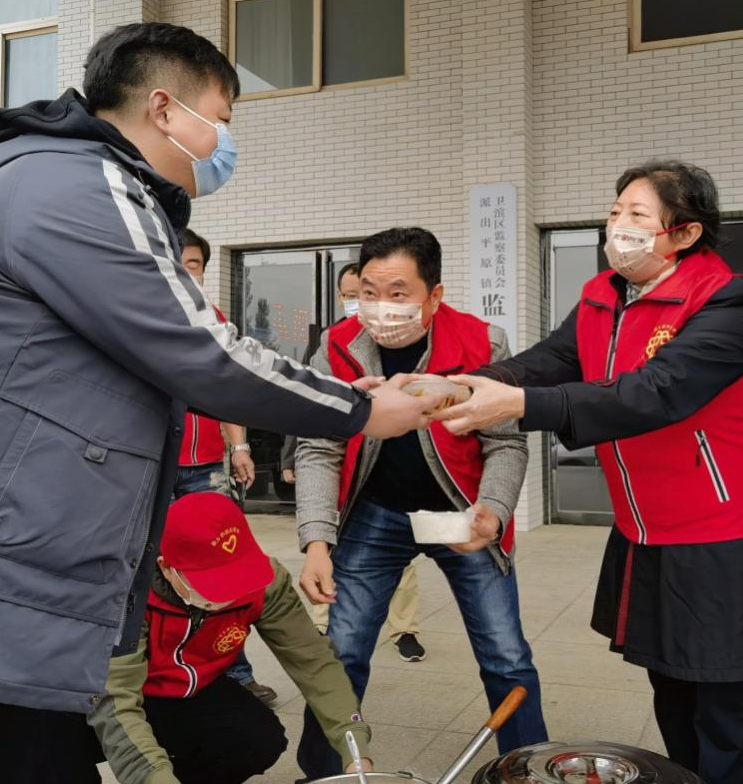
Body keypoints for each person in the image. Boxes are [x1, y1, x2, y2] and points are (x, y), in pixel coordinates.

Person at [0, 22, 434, 784]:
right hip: (5, 557)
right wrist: (361, 411)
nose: (223, 144)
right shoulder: (79, 185)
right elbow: (203, 352)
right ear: (164, 108)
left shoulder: (67, 180)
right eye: (221, 119)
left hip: (20, 547)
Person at [433, 161, 743, 784]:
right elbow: (553, 359)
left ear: (685, 233)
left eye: (638, 215)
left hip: (721, 530)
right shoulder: (604, 294)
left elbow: (655, 392)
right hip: (643, 527)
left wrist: (518, 405)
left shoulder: (729, 301)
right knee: (670, 684)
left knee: (722, 699)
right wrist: (473, 382)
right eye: (615, 211)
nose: (618, 226)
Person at [294, 226, 548, 778]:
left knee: (506, 656)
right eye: (369, 292)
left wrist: (493, 511)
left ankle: (527, 769)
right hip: (374, 514)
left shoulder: (482, 341)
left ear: (434, 295)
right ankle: (324, 771)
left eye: (399, 293)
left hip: (462, 513)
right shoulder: (337, 345)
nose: (381, 308)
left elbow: (505, 443)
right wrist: (317, 541)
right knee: (343, 651)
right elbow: (319, 445)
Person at [90, 492, 373, 784]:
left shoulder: (264, 581)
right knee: (63, 755)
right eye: (213, 585)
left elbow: (313, 661)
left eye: (234, 578)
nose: (228, 596)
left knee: (256, 739)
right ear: (166, 567)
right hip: (103, 693)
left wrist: (354, 747)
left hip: (190, 691)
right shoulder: (129, 595)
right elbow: (116, 697)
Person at [283, 262, 428, 661]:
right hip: (338, 467)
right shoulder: (329, 342)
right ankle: (322, 621)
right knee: (326, 548)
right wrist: (290, 457)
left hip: (387, 472)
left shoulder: (397, 336)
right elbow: (306, 406)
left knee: (399, 558)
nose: (358, 302)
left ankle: (404, 628)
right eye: (351, 295)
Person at [177, 227, 277, 704]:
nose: (186, 272)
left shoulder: (213, 319)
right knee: (152, 571)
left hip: (205, 470)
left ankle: (234, 672)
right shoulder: (133, 311)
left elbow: (230, 390)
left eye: (194, 264)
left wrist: (239, 447)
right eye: (177, 261)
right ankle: (158, 670)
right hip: (153, 468)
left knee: (224, 567)